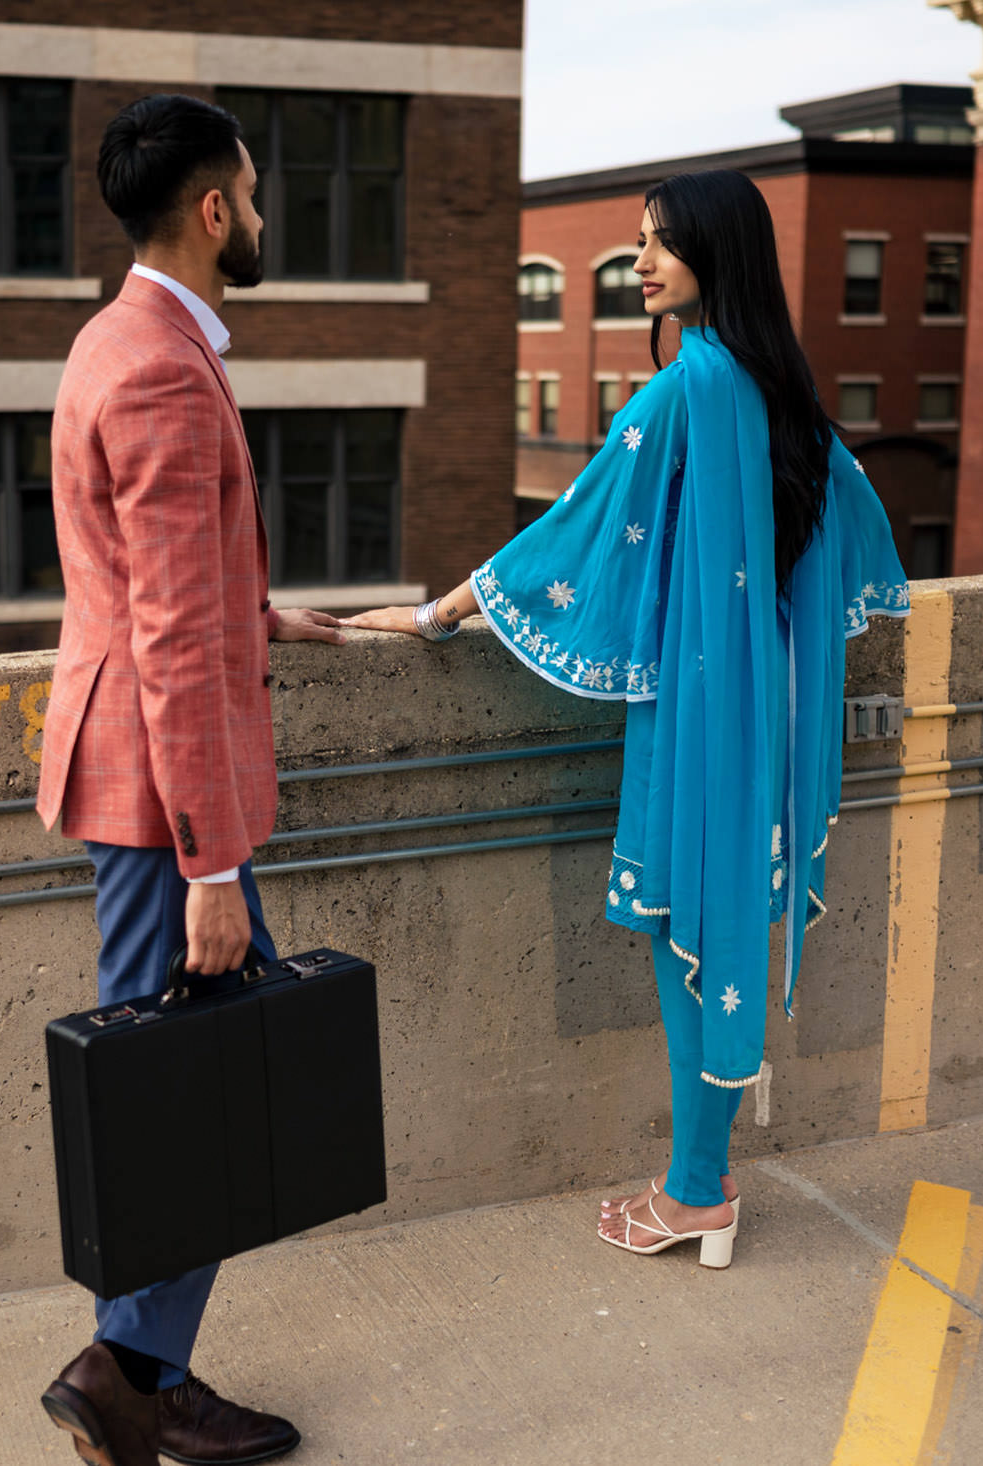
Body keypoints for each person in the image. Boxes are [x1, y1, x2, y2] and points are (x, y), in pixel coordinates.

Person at [347, 169, 910, 1268]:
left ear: (718, 255)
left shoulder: (677, 393)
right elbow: (860, 531)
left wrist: (435, 613)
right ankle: (702, 1177)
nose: (641, 261)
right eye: (638, 241)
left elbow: (571, 534)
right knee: (721, 924)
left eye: (660, 243)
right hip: (769, 711)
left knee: (676, 927)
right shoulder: (779, 389)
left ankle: (698, 1190)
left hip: (697, 714)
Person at [35, 93, 344, 1466]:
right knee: (196, 1094)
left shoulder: (117, 335)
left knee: (206, 1084)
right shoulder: (162, 364)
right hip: (167, 803)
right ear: (215, 209)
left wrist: (261, 606)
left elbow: (155, 577)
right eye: (256, 196)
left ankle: (143, 1374)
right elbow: (157, 627)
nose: (262, 218)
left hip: (146, 777)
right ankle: (123, 1379)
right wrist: (212, 858)